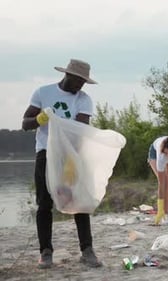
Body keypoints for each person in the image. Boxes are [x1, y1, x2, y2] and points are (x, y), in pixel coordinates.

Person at [21, 59, 103, 268]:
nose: (80, 86)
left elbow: (80, 130)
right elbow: (25, 124)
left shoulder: (84, 99)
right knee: (44, 204)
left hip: (71, 155)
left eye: (84, 83)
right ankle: (46, 252)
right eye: (78, 81)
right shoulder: (43, 92)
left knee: (78, 201)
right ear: (68, 76)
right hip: (45, 154)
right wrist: (40, 119)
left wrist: (71, 161)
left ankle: (87, 250)